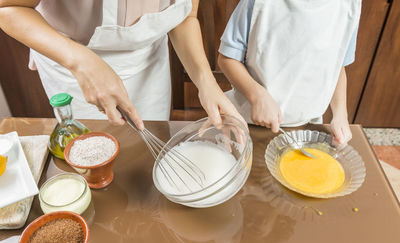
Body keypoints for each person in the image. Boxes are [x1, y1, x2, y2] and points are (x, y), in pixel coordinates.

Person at [0, 0, 245, 130]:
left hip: (149, 66)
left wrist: (205, 81)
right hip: (73, 68)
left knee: (145, 155)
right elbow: (8, 8)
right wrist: (80, 61)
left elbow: (184, 15)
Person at [218, 0, 361, 146]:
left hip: (306, 128)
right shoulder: (257, 3)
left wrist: (340, 114)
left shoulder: (349, 5)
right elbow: (227, 59)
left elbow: (337, 66)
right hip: (248, 124)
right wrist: (257, 95)